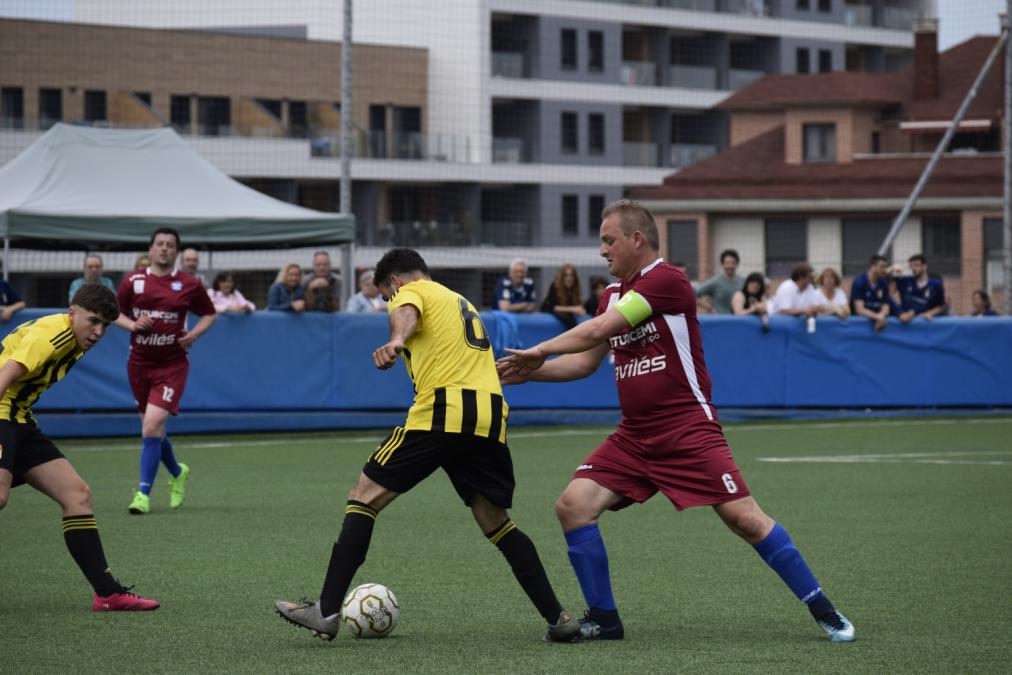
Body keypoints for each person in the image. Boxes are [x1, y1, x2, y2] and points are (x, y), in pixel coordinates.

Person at [496, 199, 854, 643]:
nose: (602, 251)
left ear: (636, 239)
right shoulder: (611, 295)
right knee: (573, 507)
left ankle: (823, 608)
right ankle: (604, 620)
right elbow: (587, 362)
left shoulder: (668, 280)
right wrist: (527, 374)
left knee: (744, 518)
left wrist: (541, 349)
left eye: (608, 241)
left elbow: (590, 333)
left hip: (687, 428)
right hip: (635, 436)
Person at [275, 247, 581, 644]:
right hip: (489, 417)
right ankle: (558, 618)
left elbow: (407, 314)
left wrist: (398, 340)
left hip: (442, 410)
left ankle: (327, 610)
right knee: (496, 521)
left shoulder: (409, 292)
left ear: (396, 281)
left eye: (386, 294)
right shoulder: (459, 299)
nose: (390, 301)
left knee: (363, 496)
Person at [0, 283, 160, 611]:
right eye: (93, 321)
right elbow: (5, 375)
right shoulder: (53, 335)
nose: (99, 331)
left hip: (19, 419)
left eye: (105, 325)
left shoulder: (75, 337)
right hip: (1, 411)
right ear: (73, 312)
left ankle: (107, 594)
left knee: (77, 495)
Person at [115, 227, 217, 515]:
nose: (164, 249)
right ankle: (176, 471)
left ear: (177, 252)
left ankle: (143, 494)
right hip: (138, 364)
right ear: (150, 249)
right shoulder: (133, 281)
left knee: (150, 427)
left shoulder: (189, 284)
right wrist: (133, 325)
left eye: (170, 245)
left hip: (172, 365)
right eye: (159, 244)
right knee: (153, 430)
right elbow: (114, 312)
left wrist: (193, 335)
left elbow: (209, 313)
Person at [896, 254, 945, 323]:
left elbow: (940, 306)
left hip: (924, 324)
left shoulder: (936, 284)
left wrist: (929, 313)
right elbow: (886, 282)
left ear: (924, 266)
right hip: (905, 324)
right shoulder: (905, 281)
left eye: (916, 265)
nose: (913, 268)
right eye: (911, 266)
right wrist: (894, 269)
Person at [851, 255, 891, 332]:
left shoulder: (884, 283)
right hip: (859, 325)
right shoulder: (860, 282)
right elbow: (860, 310)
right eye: (882, 267)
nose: (885, 270)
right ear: (872, 267)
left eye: (886, 267)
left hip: (878, 320)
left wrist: (882, 316)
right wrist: (877, 317)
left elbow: (886, 305)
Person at [695, 249, 742, 315]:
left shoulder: (743, 281)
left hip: (740, 321)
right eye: (728, 263)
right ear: (722, 264)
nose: (731, 266)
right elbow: (693, 295)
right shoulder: (715, 282)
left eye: (733, 263)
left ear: (737, 264)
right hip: (720, 321)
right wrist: (709, 308)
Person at [541, 263, 586, 329]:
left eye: (571, 275)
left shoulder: (575, 288)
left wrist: (579, 309)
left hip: (566, 313)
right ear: (562, 277)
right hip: (549, 311)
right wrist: (574, 309)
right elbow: (553, 307)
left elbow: (578, 305)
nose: (569, 278)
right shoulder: (555, 286)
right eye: (566, 275)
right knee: (569, 319)